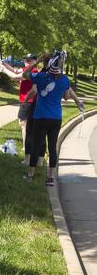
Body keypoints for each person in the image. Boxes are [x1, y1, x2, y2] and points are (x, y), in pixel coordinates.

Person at [23, 51, 84, 186]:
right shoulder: (64, 80)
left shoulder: (40, 77)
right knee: (52, 146)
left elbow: (25, 74)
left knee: (36, 144)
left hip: (40, 116)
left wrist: (38, 61)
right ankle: (51, 178)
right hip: (56, 117)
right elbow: (67, 97)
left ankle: (30, 174)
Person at [1, 54, 41, 164]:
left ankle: (25, 147)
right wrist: (5, 65)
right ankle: (27, 146)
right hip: (25, 101)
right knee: (23, 123)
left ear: (34, 61)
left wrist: (4, 70)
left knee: (24, 124)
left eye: (29, 60)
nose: (27, 62)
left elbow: (15, 77)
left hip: (29, 101)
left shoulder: (33, 72)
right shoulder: (26, 69)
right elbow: (15, 71)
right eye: (25, 60)